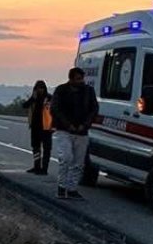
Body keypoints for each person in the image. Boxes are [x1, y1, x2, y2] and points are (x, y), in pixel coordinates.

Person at [50, 67, 98, 199]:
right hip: (64, 130)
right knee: (66, 158)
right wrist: (68, 124)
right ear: (71, 79)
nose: (81, 81)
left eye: (82, 78)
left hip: (82, 132)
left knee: (78, 162)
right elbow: (55, 109)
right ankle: (61, 187)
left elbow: (94, 109)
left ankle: (72, 188)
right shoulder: (61, 90)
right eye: (78, 79)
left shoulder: (88, 91)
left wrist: (85, 125)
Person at [21, 80, 53, 175]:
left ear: (45, 88)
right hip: (35, 127)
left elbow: (55, 111)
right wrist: (32, 99)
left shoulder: (49, 98)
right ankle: (36, 166)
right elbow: (24, 105)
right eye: (38, 88)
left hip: (46, 127)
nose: (40, 90)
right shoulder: (34, 98)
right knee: (36, 148)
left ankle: (44, 168)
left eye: (42, 88)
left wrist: (54, 125)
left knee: (47, 149)